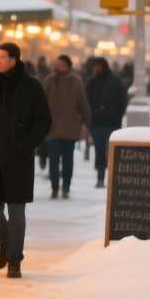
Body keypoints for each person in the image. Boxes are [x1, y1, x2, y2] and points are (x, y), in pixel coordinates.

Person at [0, 42, 52, 278]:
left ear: (14, 59)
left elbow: (44, 120)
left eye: (3, 57)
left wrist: (27, 144)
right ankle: (6, 242)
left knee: (16, 212)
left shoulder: (32, 86)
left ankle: (14, 259)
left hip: (18, 158)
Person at [41, 56, 92, 200]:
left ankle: (66, 187)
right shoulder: (49, 80)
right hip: (53, 129)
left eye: (63, 65)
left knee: (68, 160)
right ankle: (55, 187)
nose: (60, 67)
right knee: (54, 161)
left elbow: (83, 103)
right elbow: (41, 101)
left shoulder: (76, 82)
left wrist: (87, 122)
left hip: (70, 128)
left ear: (68, 66)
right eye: (58, 64)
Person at [84, 57, 127, 188]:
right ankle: (100, 177)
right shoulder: (91, 82)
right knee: (99, 151)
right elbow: (86, 101)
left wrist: (116, 114)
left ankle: (112, 177)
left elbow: (122, 100)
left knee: (112, 152)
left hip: (111, 122)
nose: (96, 68)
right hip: (97, 123)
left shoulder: (115, 81)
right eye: (95, 66)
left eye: (98, 66)